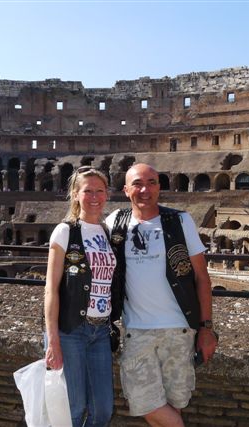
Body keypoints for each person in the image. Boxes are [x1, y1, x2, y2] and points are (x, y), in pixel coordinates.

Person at [106, 163, 218, 426]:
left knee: (174, 404)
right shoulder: (115, 223)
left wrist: (206, 328)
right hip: (136, 331)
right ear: (126, 190)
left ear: (159, 187)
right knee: (147, 404)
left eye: (152, 183)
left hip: (179, 329)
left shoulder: (180, 221)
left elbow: (202, 277)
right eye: (137, 184)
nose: (145, 190)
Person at [44, 166, 120, 427]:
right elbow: (51, 288)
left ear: (107, 194)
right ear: (76, 194)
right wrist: (52, 340)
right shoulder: (64, 231)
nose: (94, 197)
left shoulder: (108, 232)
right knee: (74, 409)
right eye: (88, 191)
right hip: (71, 330)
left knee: (103, 410)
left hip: (101, 331)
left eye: (100, 191)